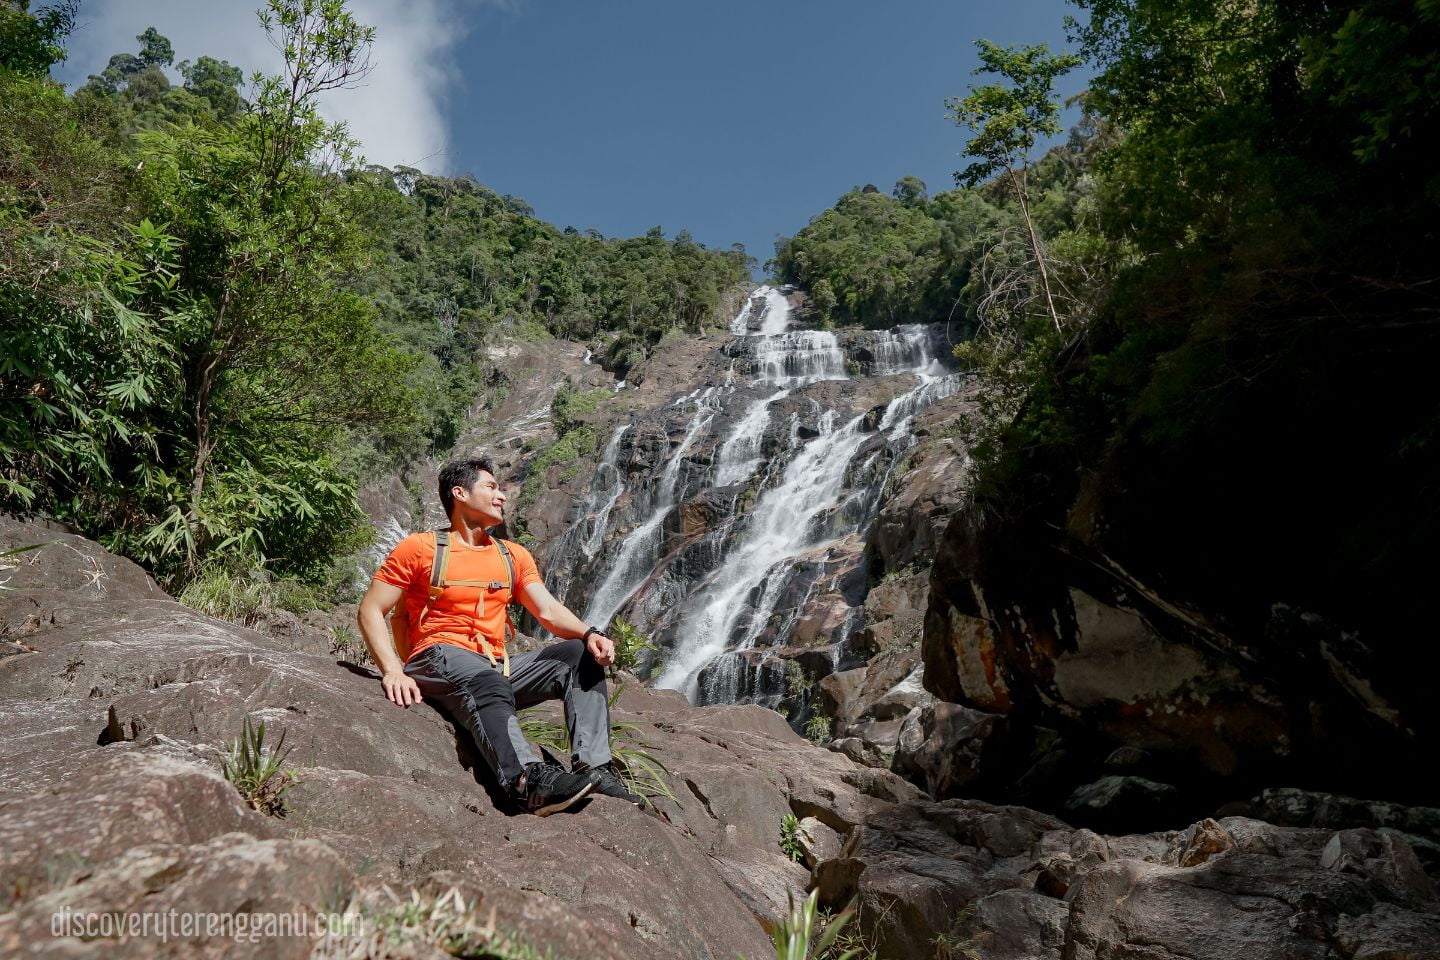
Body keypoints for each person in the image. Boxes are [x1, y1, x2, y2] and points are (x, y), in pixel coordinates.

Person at [357, 456, 643, 816]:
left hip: (496, 666)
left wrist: (590, 634)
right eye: (491, 487)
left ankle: (596, 769)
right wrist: (392, 670)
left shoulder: (513, 555)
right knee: (488, 682)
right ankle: (526, 783)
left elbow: (549, 611)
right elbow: (370, 609)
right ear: (459, 493)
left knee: (577, 653)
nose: (501, 496)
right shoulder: (421, 548)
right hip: (438, 658)